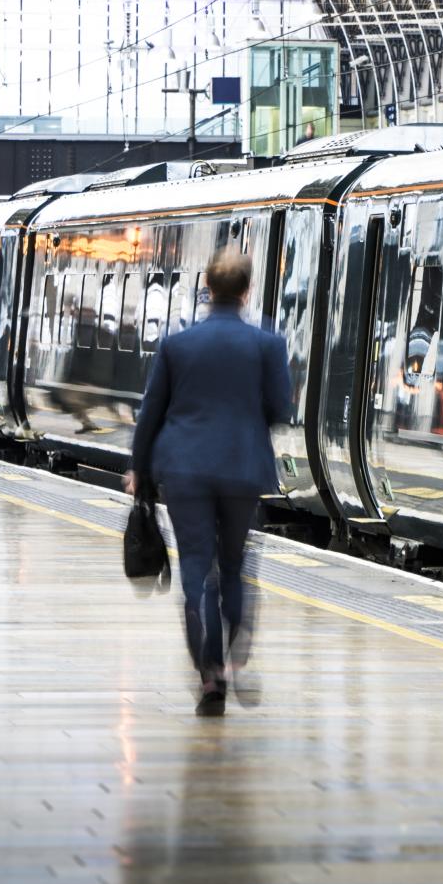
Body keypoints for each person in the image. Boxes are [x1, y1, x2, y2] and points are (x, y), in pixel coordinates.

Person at [128, 250, 290, 717]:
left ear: (206, 288)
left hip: (184, 470)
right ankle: (237, 649)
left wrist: (139, 468)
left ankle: (210, 676)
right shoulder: (267, 345)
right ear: (245, 291)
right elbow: (280, 410)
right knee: (234, 565)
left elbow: (151, 412)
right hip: (241, 469)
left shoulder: (178, 345)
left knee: (197, 568)